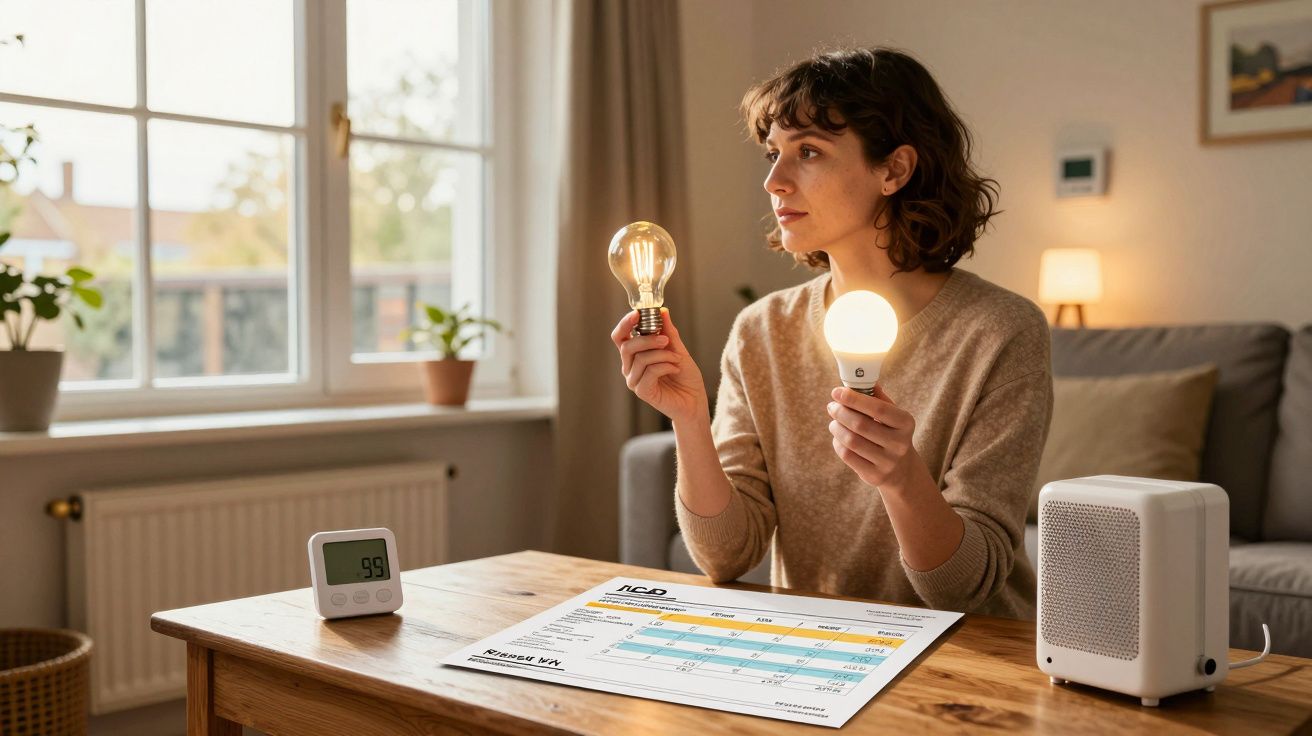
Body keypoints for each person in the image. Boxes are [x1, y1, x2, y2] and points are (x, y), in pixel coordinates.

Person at [610, 47, 1052, 618]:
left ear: (893, 169)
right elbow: (724, 556)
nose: (774, 181)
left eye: (809, 152)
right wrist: (689, 418)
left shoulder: (1000, 331)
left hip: (969, 660)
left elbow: (964, 588)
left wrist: (901, 478)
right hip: (819, 649)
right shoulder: (761, 330)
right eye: (773, 154)